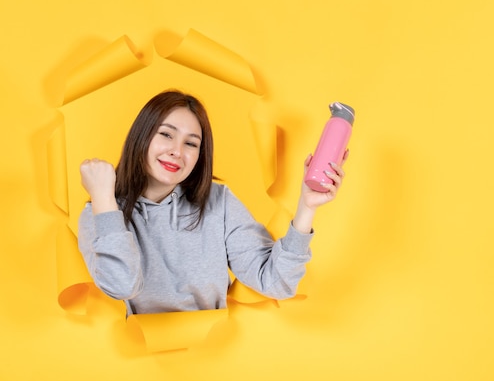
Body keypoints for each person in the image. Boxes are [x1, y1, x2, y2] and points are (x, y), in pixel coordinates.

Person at [78, 89, 347, 315]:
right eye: (166, 134)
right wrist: (104, 199)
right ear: (142, 136)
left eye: (191, 144)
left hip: (213, 354)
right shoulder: (101, 214)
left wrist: (306, 207)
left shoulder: (219, 202)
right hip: (139, 360)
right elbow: (121, 285)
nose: (177, 151)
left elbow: (276, 282)